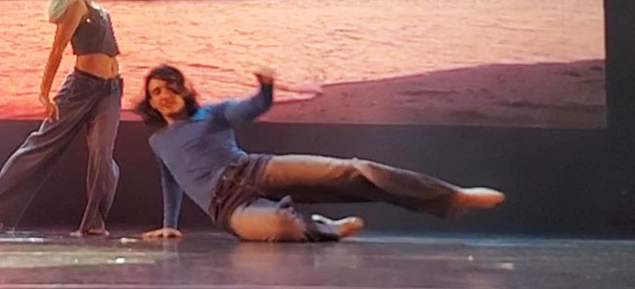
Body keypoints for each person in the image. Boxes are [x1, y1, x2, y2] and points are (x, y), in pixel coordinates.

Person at [135, 64, 505, 241]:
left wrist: (266, 89)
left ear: (184, 90)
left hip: (255, 170)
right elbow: (172, 183)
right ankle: (326, 227)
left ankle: (452, 195)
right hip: (227, 208)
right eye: (156, 92)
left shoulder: (212, 114)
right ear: (150, 101)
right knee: (280, 227)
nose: (165, 96)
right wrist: (170, 224)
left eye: (171, 87)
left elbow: (252, 108)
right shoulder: (158, 142)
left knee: (353, 171)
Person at [0, 0, 123, 236]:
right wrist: (44, 93)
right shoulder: (75, 7)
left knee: (103, 157)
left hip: (111, 91)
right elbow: (56, 51)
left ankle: (93, 222)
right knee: (39, 147)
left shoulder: (86, 1)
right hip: (81, 88)